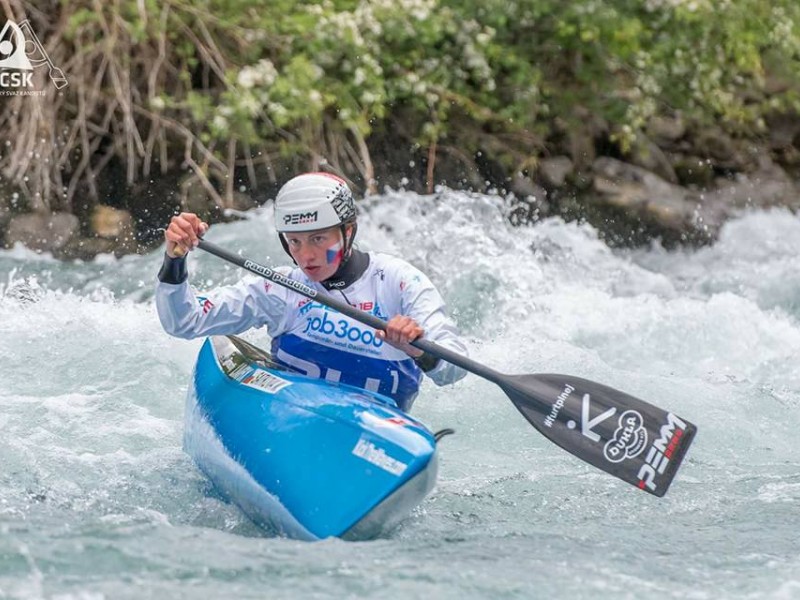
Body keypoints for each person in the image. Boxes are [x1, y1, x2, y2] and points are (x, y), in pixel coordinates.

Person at [155, 172, 467, 411]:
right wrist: (174, 260)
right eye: (294, 242)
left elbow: (454, 368)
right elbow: (185, 321)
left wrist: (418, 348)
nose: (305, 256)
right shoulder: (280, 288)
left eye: (318, 239)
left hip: (376, 437)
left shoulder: (399, 282)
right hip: (295, 424)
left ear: (348, 231)